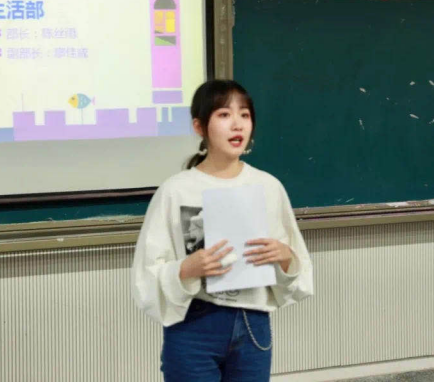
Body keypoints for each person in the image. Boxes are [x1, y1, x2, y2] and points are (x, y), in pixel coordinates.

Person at [131, 79, 314, 381]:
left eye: (245, 114)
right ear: (199, 126)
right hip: (194, 325)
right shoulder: (176, 190)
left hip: (253, 324)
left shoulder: (268, 187)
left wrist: (285, 256)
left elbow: (297, 269)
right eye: (224, 114)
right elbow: (146, 275)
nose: (237, 124)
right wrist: (185, 269)